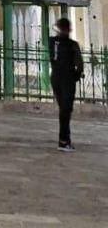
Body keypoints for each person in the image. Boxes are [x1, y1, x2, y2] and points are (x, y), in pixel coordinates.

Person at [49, 16, 84, 151]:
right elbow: (79, 64)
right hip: (67, 79)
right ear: (68, 29)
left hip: (55, 77)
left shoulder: (52, 42)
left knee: (63, 109)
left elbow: (52, 59)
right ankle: (64, 141)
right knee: (66, 110)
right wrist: (76, 76)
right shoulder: (72, 45)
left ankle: (64, 139)